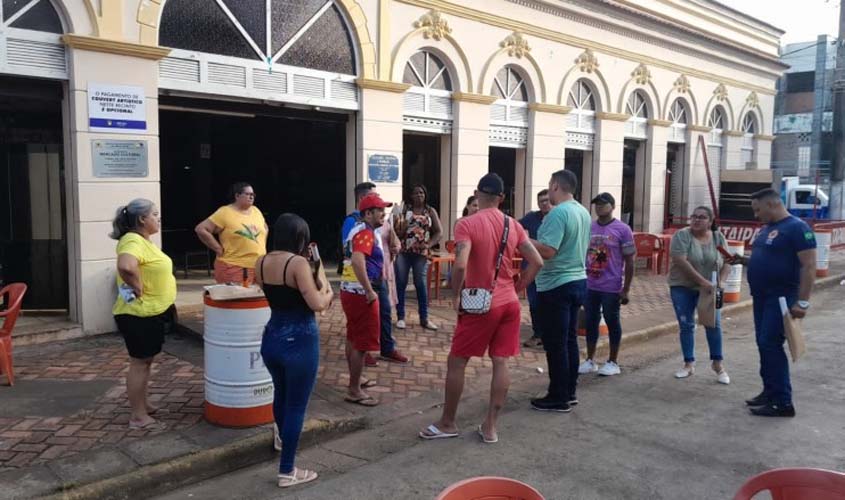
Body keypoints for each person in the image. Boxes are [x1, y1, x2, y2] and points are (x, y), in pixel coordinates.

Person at [420, 173, 542, 442]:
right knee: (501, 362)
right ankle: (490, 426)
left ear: (477, 193)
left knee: (457, 361)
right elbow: (536, 261)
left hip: (480, 304)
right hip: (509, 302)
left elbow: (461, 263)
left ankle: (448, 422)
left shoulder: (467, 223)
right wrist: (518, 287)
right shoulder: (513, 225)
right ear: (502, 198)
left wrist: (456, 294)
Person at [254, 214, 333, 488]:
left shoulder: (261, 261)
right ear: (300, 238)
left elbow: (274, 294)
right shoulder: (298, 263)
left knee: (281, 395)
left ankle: (283, 439)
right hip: (299, 340)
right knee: (297, 405)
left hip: (272, 337)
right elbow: (317, 303)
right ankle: (287, 470)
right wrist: (328, 292)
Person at [731, 189, 816, 417]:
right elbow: (770, 259)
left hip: (781, 298)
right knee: (763, 343)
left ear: (771, 205)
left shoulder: (797, 228)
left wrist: (803, 302)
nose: (756, 215)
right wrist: (744, 260)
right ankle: (769, 391)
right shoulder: (768, 229)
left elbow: (809, 266)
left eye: (758, 210)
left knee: (770, 343)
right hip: (762, 297)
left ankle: (783, 401)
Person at [111, 199, 176, 431]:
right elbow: (126, 266)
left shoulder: (143, 241)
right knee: (139, 362)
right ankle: (138, 416)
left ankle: (143, 404)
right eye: (154, 214)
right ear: (142, 219)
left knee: (146, 361)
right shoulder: (132, 240)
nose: (158, 218)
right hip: (138, 314)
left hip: (150, 313)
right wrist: (137, 285)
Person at [529, 170, 591, 413]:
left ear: (555, 186)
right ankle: (569, 390)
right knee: (569, 340)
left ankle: (557, 396)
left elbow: (547, 251)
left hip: (556, 284)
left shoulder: (558, 213)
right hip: (577, 280)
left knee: (556, 343)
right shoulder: (582, 211)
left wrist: (525, 239)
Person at [341, 182, 408, 366]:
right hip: (361, 281)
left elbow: (388, 242)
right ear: (365, 205)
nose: (383, 211)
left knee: (383, 314)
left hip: (377, 277)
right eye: (377, 203)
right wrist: (367, 288)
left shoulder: (376, 226)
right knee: (358, 329)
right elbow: (353, 256)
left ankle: (385, 348)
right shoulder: (356, 225)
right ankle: (360, 360)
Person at [340, 192, 393, 407]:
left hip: (351, 291)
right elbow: (358, 260)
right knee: (361, 342)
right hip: (362, 294)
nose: (383, 213)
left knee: (353, 336)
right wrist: (370, 290)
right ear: (368, 213)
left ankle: (356, 378)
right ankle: (354, 389)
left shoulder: (361, 230)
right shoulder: (365, 233)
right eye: (379, 210)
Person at [667, 206, 731, 384]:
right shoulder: (682, 236)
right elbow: (681, 261)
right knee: (686, 324)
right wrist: (703, 282)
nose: (696, 220)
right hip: (683, 286)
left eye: (702, 217)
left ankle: (718, 364)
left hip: (711, 289)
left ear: (710, 222)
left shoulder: (718, 237)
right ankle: (688, 363)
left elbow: (728, 261)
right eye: (694, 216)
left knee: (714, 323)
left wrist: (722, 281)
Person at [579, 193, 635, 376]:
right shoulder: (589, 227)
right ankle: (590, 359)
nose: (599, 208)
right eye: (596, 205)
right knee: (590, 321)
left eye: (603, 204)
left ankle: (613, 361)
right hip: (590, 284)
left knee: (612, 321)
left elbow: (630, 261)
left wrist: (625, 289)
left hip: (611, 286)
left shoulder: (623, 229)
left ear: (612, 206)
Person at [195, 182, 268, 284]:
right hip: (234, 266)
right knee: (236, 298)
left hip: (258, 267)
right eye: (248, 194)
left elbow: (265, 228)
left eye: (253, 194)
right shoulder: (225, 212)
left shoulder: (256, 211)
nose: (251, 197)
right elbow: (201, 229)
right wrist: (218, 248)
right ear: (237, 196)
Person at [393, 185, 443, 330]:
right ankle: (401, 317)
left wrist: (429, 244)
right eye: (416, 193)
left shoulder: (430, 211)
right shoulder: (405, 209)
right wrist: (400, 228)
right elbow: (396, 229)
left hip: (421, 254)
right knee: (400, 283)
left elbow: (439, 232)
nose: (419, 195)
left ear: (425, 195)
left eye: (422, 192)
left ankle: (424, 318)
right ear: (411, 196)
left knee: (420, 284)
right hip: (404, 251)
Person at [519, 189, 552, 348]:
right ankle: (537, 333)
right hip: (532, 268)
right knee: (534, 302)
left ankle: (549, 335)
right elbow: (515, 226)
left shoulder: (558, 218)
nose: (544, 203)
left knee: (550, 303)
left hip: (552, 269)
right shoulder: (532, 217)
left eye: (547, 200)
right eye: (541, 201)